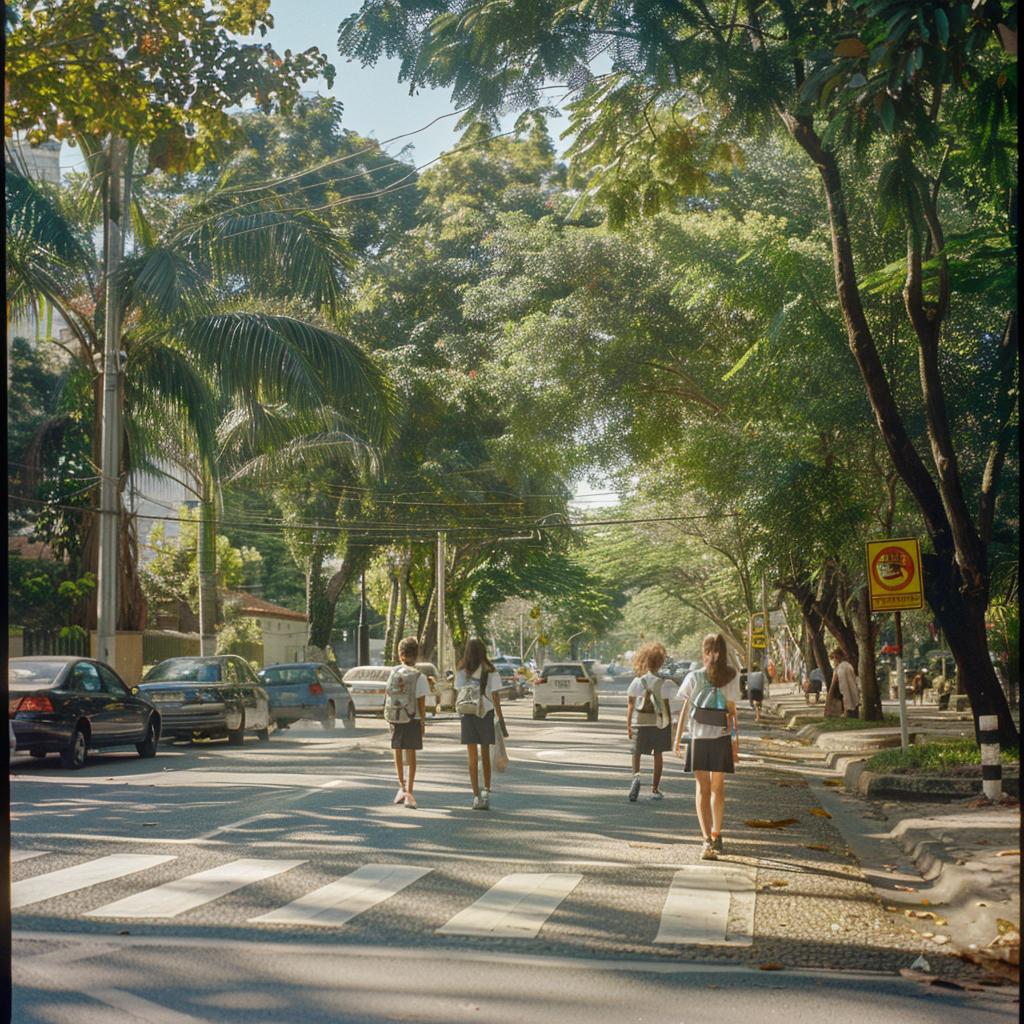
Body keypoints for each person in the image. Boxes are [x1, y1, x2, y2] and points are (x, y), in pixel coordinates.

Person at [674, 633, 740, 861]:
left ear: (705, 653)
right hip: (718, 737)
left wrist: (677, 738)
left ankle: (708, 838)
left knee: (705, 789)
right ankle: (714, 835)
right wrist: (735, 741)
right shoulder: (731, 677)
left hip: (699, 738)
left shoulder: (694, 677)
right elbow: (732, 710)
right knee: (715, 788)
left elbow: (686, 706)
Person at [455, 637, 505, 810]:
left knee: (471, 757)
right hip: (486, 713)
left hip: (467, 713)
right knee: (485, 755)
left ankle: (475, 795)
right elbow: (495, 696)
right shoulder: (490, 670)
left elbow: (459, 693)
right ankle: (486, 792)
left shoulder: (463, 670)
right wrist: (500, 719)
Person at [625, 641, 674, 802]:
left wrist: (629, 727)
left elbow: (631, 705)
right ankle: (654, 788)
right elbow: (667, 705)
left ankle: (636, 778)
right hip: (658, 723)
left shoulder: (638, 681)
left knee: (637, 752)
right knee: (658, 754)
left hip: (640, 721)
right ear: (660, 662)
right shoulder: (664, 683)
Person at [386, 637, 431, 809]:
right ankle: (410, 792)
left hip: (396, 717)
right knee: (411, 755)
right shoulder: (419, 677)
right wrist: (423, 724)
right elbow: (421, 704)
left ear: (400, 654)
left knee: (397, 751)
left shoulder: (393, 673)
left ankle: (401, 787)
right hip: (412, 718)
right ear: (416, 655)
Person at [832, 647, 860, 719]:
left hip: (846, 688)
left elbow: (843, 682)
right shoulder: (846, 666)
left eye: (836, 657)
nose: (834, 659)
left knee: (848, 701)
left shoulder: (842, 667)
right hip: (850, 689)